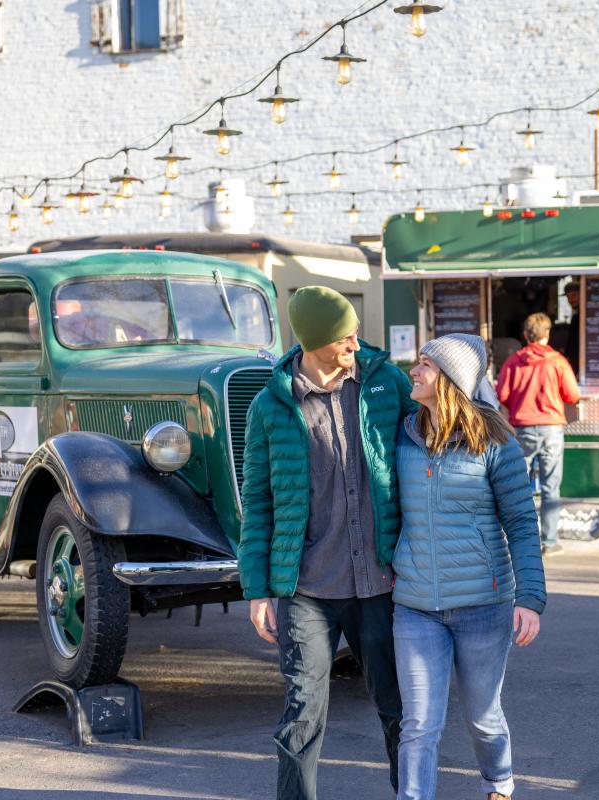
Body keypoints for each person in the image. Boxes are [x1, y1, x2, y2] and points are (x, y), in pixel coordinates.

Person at [237, 286, 416, 800]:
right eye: (344, 338)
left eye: (356, 334)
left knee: (398, 708)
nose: (355, 345)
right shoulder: (272, 405)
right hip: (307, 589)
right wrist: (256, 589)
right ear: (314, 341)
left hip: (381, 583)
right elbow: (260, 500)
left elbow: (430, 451)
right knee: (301, 714)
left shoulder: (386, 383)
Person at [393, 333, 547, 800]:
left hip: (484, 604)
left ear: (451, 380)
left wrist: (531, 599)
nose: (414, 372)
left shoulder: (496, 443)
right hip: (416, 606)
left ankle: (499, 781)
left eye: (425, 365)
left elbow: (522, 523)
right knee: (418, 724)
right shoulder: (402, 435)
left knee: (482, 716)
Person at [495, 312, 581, 556]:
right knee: (551, 487)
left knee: (518, 487)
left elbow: (501, 395)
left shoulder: (513, 361)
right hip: (552, 429)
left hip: (521, 429)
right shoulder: (558, 361)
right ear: (548, 334)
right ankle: (550, 541)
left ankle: (519, 541)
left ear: (525, 335)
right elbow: (572, 395)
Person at [562, 280, 580, 375]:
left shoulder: (581, 318)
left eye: (574, 295)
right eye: (568, 297)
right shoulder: (576, 318)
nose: (571, 300)